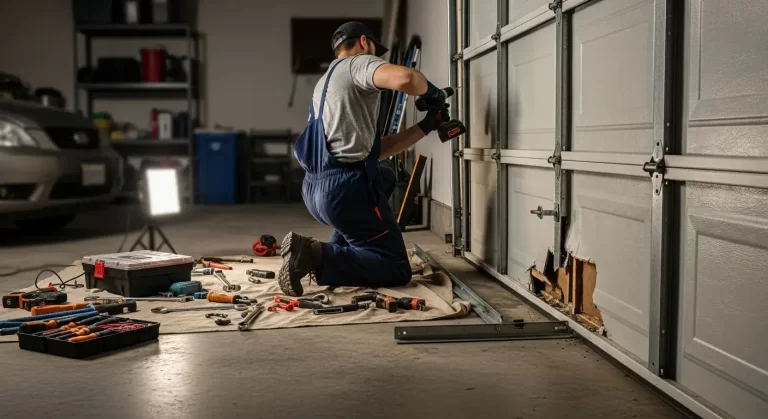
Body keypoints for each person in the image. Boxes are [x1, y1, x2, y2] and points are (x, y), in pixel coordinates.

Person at [278, 21, 447, 296]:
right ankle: (313, 254)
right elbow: (408, 80)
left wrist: (427, 126)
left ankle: (339, 248)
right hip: (346, 191)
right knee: (395, 268)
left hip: (316, 191)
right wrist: (432, 93)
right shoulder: (358, 64)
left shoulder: (325, 83)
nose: (376, 60)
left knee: (386, 177)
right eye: (375, 53)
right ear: (365, 43)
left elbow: (374, 151)